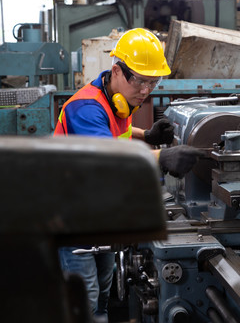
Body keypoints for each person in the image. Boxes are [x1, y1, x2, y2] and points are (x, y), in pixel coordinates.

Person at [54, 27, 204, 321]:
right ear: (117, 71)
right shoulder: (85, 108)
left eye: (153, 82)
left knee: (102, 297)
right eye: (139, 80)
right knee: (86, 302)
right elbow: (106, 159)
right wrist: (162, 157)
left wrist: (146, 134)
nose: (146, 90)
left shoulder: (118, 99)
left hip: (102, 214)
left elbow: (113, 132)